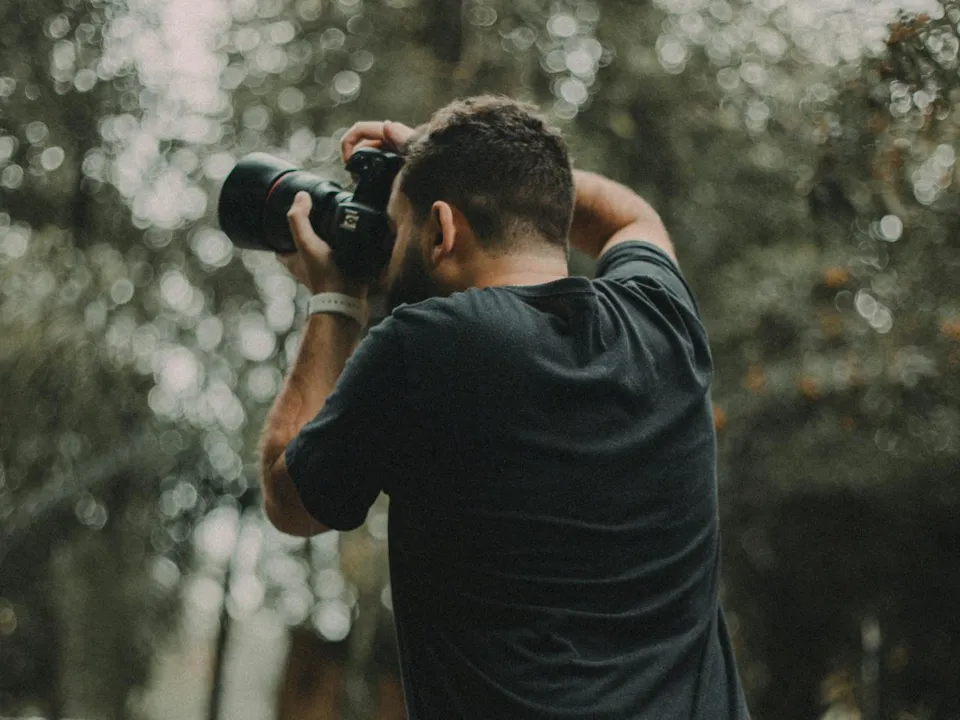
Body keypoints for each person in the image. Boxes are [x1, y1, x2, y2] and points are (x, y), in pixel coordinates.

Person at [258, 95, 750, 719]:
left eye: (399, 225)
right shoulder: (661, 321)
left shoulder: (425, 344)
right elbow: (630, 217)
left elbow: (292, 502)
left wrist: (337, 297)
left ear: (443, 229)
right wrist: (455, 166)